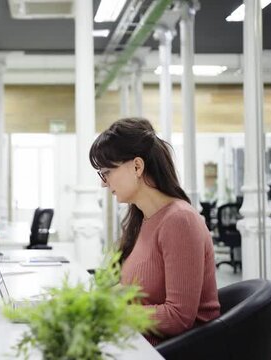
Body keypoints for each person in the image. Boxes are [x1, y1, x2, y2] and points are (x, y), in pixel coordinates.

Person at [89, 117, 220, 345]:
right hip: (138, 343)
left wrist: (111, 312)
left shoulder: (180, 221)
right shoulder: (144, 219)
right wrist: (90, 302)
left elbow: (178, 317)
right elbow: (130, 288)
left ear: (137, 166)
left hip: (173, 352)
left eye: (106, 172)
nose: (103, 183)